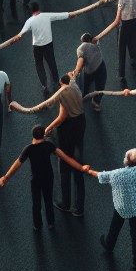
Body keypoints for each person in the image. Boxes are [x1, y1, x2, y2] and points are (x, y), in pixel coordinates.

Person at [0, 124, 85, 232]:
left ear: (33, 136)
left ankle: (37, 225)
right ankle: (51, 223)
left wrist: (6, 177)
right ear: (43, 136)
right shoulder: (49, 145)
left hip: (36, 180)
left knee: (36, 203)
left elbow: (17, 165)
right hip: (48, 177)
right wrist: (80, 167)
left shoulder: (28, 149)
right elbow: (65, 157)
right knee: (48, 200)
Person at [45, 74, 87, 218]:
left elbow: (62, 117)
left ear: (60, 84)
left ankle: (66, 203)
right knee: (77, 164)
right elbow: (73, 78)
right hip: (81, 123)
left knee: (64, 166)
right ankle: (79, 207)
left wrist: (48, 128)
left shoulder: (62, 94)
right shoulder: (75, 88)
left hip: (68, 129)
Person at [18, 3, 69, 99]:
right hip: (48, 44)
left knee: (39, 64)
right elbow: (59, 15)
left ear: (31, 11)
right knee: (52, 62)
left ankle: (44, 84)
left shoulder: (30, 20)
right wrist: (70, 14)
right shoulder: (46, 15)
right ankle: (56, 80)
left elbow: (22, 33)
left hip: (37, 46)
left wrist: (18, 37)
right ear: (39, 8)